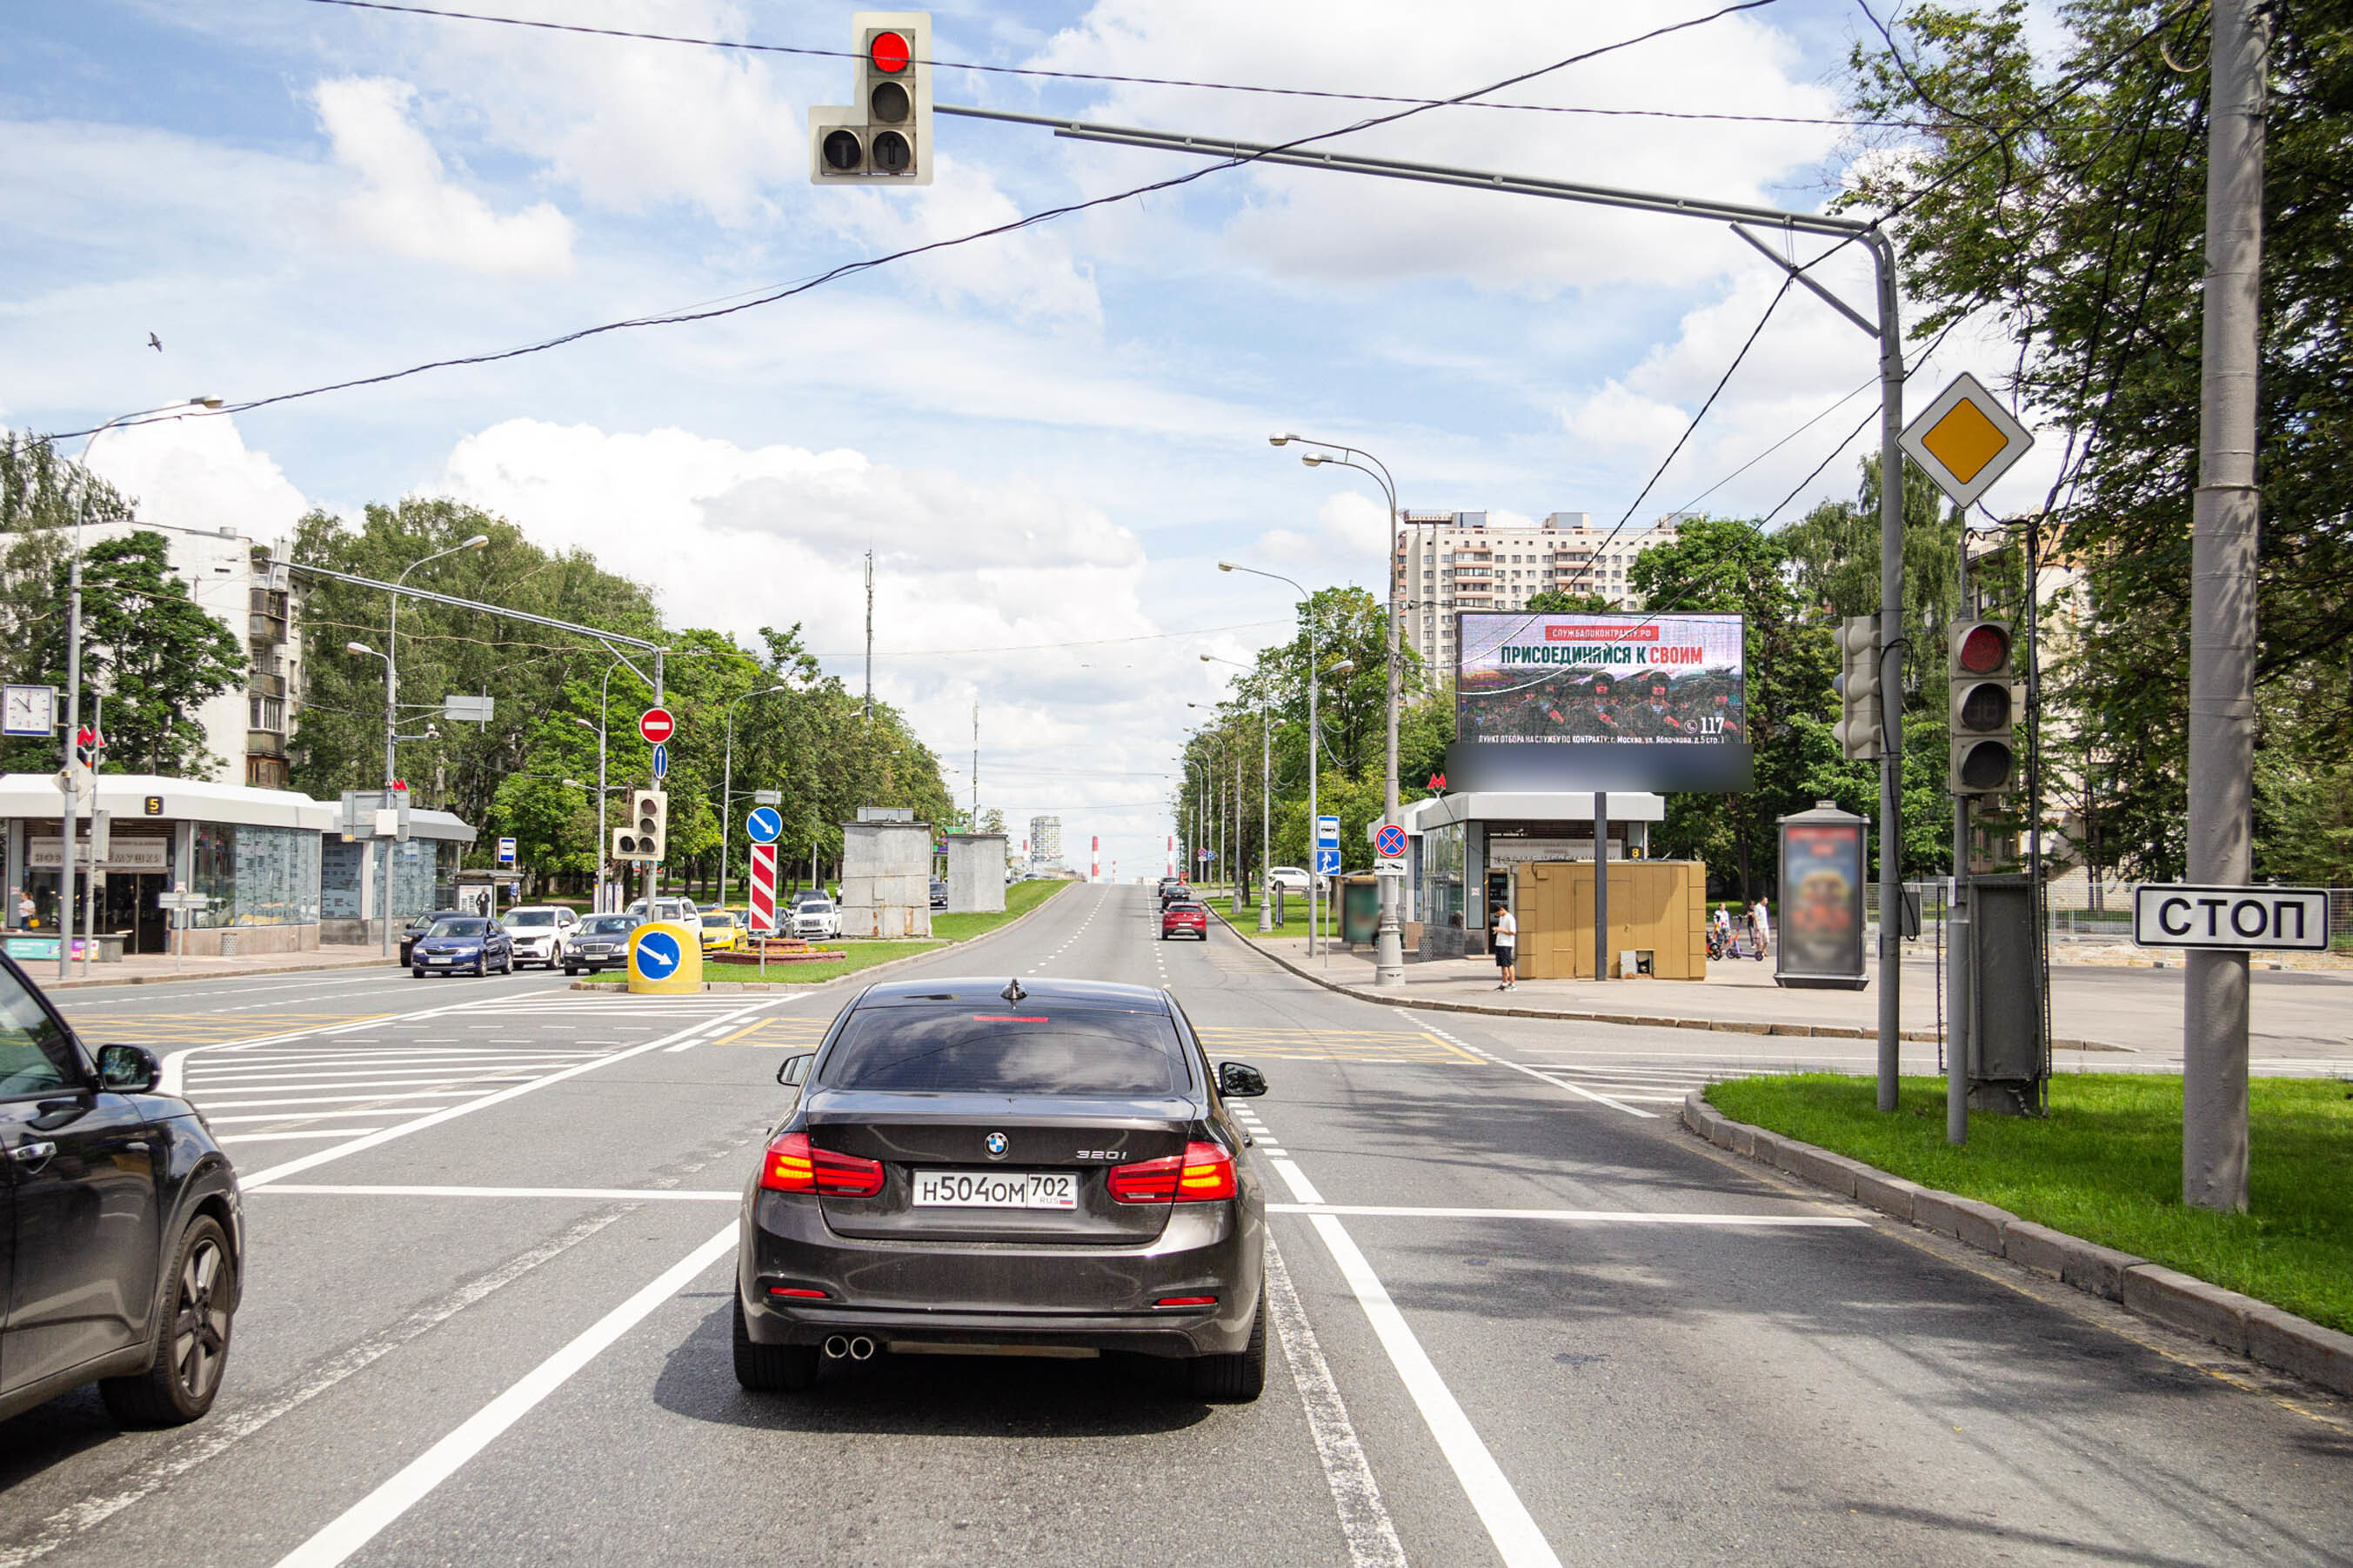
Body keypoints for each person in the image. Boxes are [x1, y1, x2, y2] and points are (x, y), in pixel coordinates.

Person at [1492, 902, 1517, 991]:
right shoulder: (1502, 918)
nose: (1497, 915)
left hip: (1507, 944)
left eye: (1498, 913)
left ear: (1502, 909)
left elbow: (1513, 932)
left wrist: (1500, 930)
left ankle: (1512, 984)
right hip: (1499, 943)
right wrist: (1497, 930)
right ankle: (1504, 983)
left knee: (1508, 963)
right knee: (1502, 964)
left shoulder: (1510, 918)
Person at [1749, 896, 1771, 960]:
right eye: (1766, 900)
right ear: (1762, 901)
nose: (1767, 902)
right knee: (1759, 941)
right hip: (1759, 926)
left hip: (1765, 926)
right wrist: (1757, 925)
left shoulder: (1764, 907)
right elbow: (1755, 917)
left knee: (1767, 939)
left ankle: (1764, 949)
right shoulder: (1757, 907)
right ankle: (1759, 952)